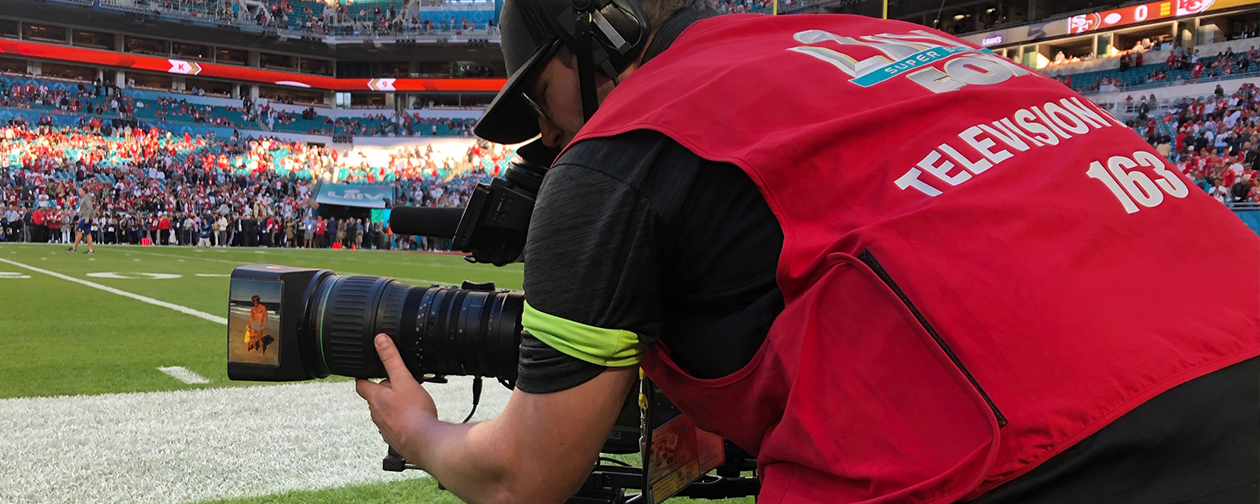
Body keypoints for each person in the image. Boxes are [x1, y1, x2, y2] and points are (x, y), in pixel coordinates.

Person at [356, 2, 1260, 504]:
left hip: (1036, 456)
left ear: (608, 32)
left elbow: (526, 476)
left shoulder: (621, 143)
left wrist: (423, 433)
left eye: (541, 93)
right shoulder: (883, 40)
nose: (546, 132)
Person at [68, 185, 95, 254]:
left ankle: (74, 248)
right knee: (87, 233)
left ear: (84, 191)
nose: (79, 192)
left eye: (80, 191)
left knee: (79, 231)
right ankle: (90, 249)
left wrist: (87, 217)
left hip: (86, 217)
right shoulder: (83, 198)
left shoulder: (86, 198)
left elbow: (90, 208)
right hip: (84, 217)